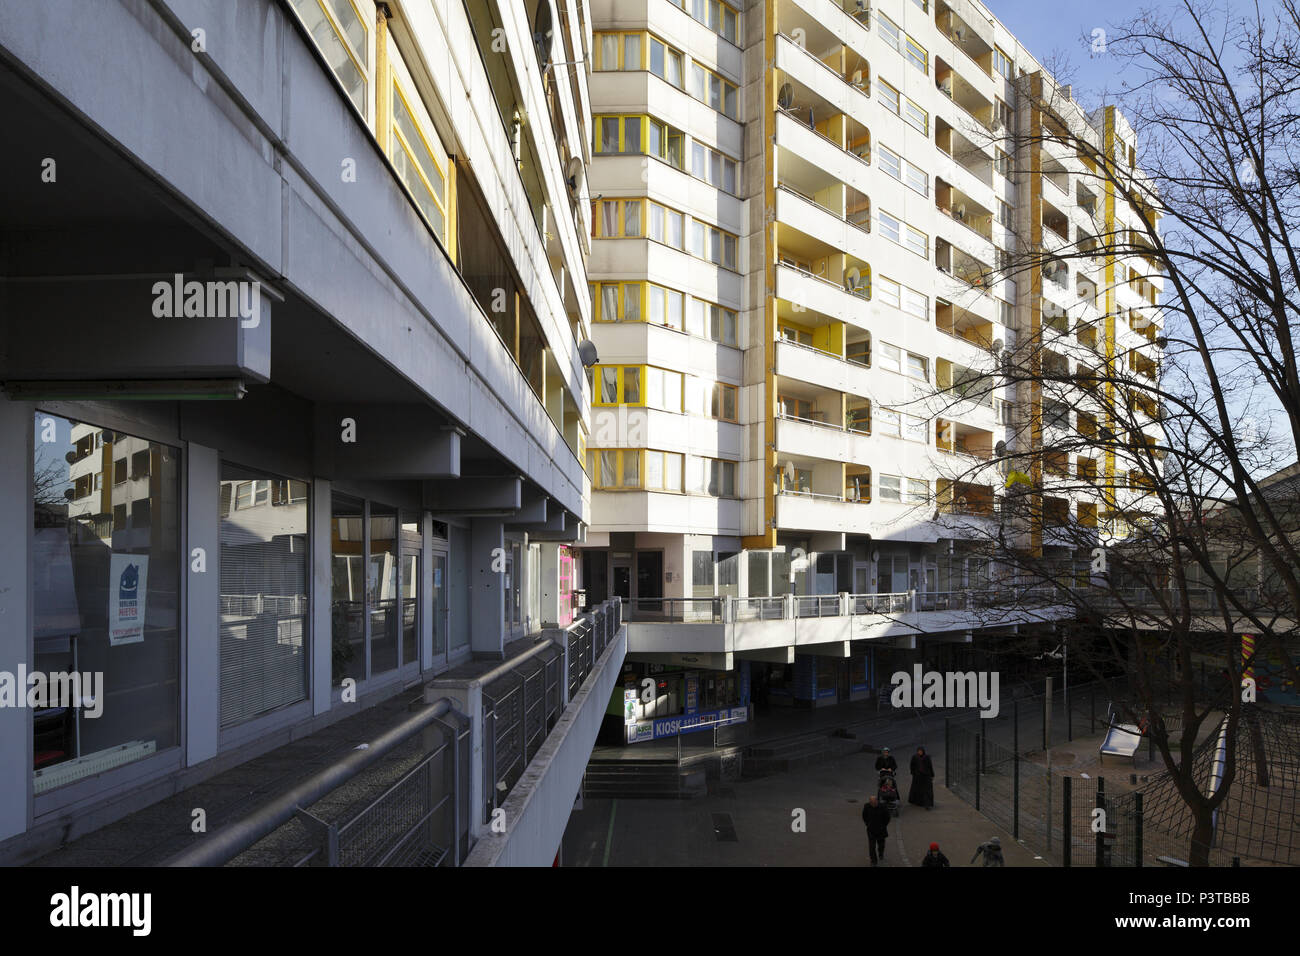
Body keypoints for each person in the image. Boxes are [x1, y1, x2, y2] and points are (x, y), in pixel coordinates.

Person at [861, 795, 891, 866]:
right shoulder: (867, 806)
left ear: (877, 801)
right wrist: (868, 824)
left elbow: (887, 817)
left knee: (881, 844)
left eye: (875, 802)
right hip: (871, 830)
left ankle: (881, 853)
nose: (873, 804)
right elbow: (864, 816)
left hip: (881, 830)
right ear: (870, 802)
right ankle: (873, 861)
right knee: (871, 847)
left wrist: (883, 825)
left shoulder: (883, 807)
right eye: (872, 803)